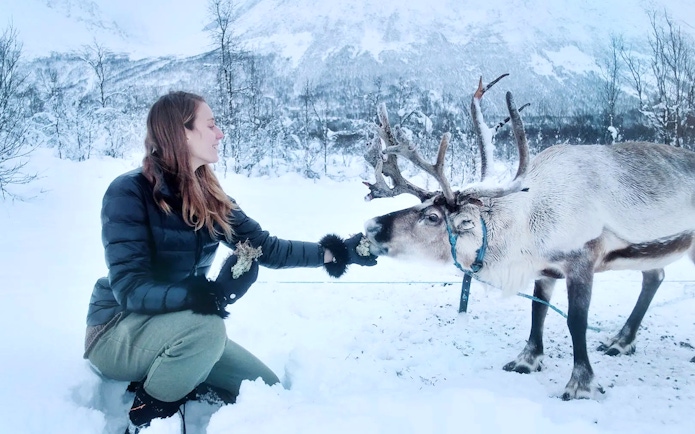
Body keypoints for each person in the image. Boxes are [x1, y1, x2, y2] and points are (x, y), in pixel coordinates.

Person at [83, 91, 377, 433]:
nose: (220, 133)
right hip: (117, 330)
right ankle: (146, 416)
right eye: (211, 125)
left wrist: (338, 252)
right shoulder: (128, 192)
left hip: (183, 330)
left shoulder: (209, 198)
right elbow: (130, 289)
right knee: (208, 329)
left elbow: (268, 248)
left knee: (265, 387)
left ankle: (177, 379)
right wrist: (204, 296)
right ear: (182, 133)